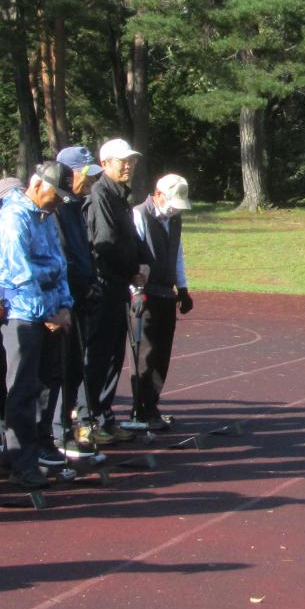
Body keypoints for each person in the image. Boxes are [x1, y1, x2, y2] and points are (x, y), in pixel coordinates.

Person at [0, 162, 74, 489]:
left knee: (43, 386)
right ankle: (22, 464)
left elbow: (59, 264)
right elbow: (18, 276)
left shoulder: (46, 217)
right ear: (38, 185)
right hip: (22, 316)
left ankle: (14, 456)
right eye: (57, 194)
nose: (60, 201)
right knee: (22, 390)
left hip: (47, 312)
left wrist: (64, 305)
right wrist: (49, 312)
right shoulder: (12, 220)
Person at [83, 138, 148, 437]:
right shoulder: (100, 194)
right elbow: (105, 242)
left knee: (113, 355)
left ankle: (104, 415)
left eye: (131, 160)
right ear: (105, 163)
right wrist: (133, 269)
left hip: (119, 282)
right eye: (123, 160)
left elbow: (132, 238)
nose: (129, 165)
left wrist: (142, 264)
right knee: (98, 353)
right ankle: (88, 418)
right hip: (104, 283)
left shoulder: (120, 195)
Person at [130, 172, 193, 432]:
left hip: (166, 292)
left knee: (162, 353)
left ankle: (152, 406)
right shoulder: (139, 214)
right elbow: (134, 254)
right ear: (157, 195)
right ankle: (140, 409)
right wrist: (136, 292)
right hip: (145, 292)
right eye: (171, 203)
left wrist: (183, 287)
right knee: (145, 353)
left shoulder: (174, 220)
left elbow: (177, 252)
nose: (174, 210)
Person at [48, 145, 98, 459]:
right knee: (61, 367)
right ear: (69, 174)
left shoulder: (77, 204)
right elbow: (62, 257)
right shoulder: (58, 208)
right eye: (85, 173)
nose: (91, 180)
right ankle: (58, 433)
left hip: (81, 294)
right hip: (64, 299)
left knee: (76, 366)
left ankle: (72, 424)